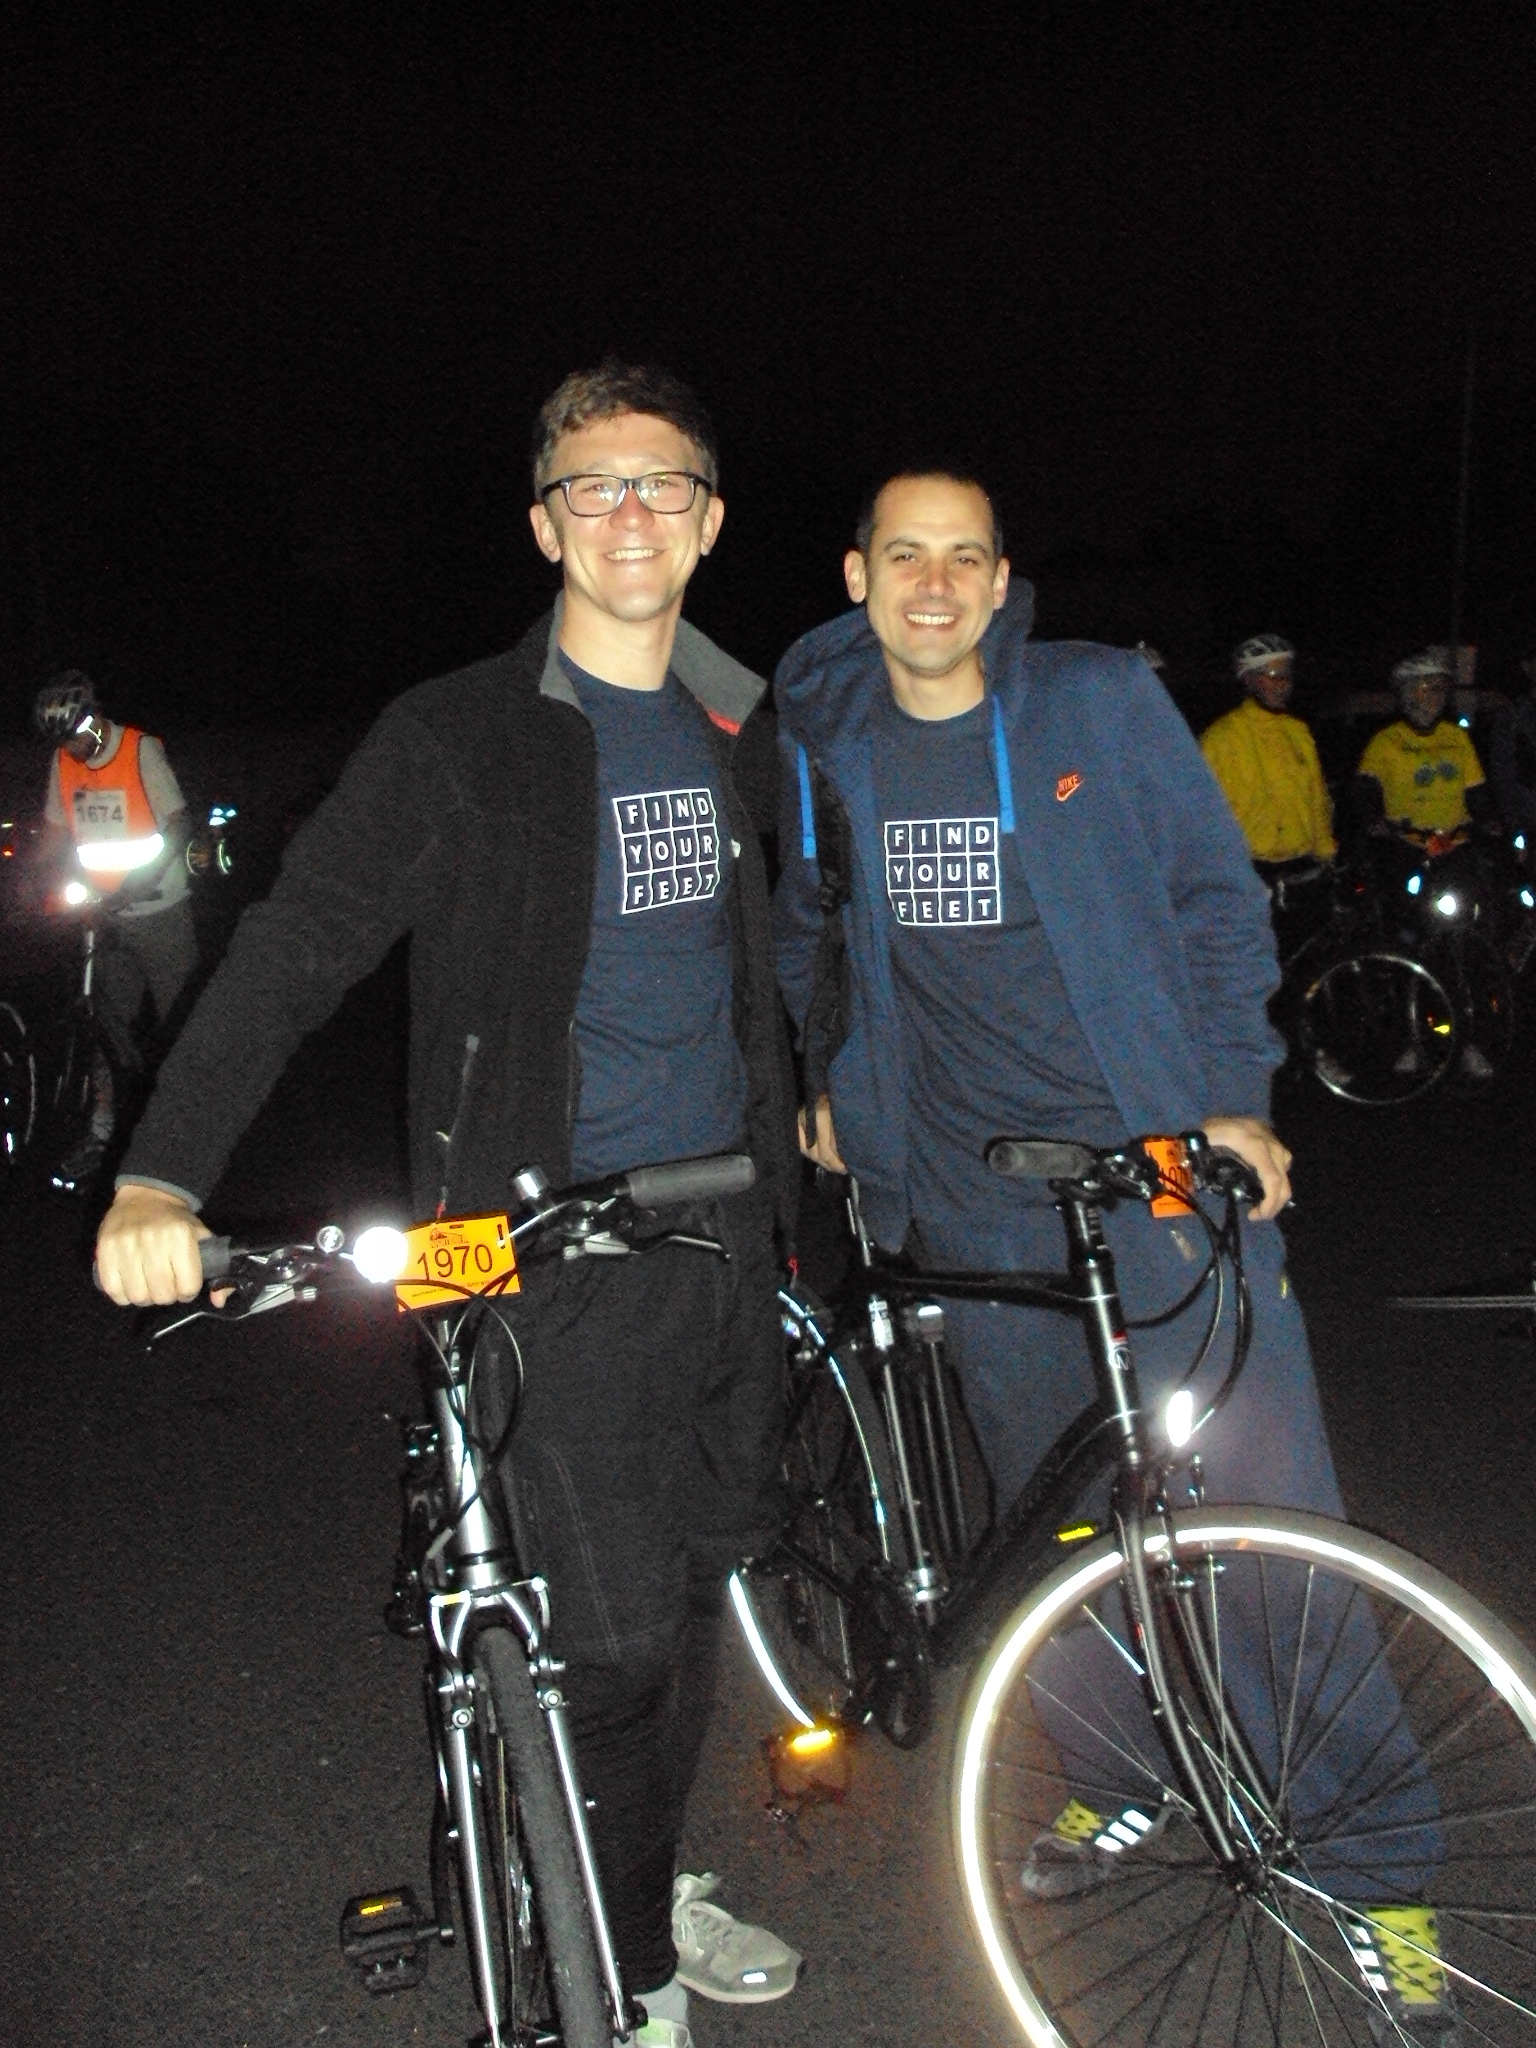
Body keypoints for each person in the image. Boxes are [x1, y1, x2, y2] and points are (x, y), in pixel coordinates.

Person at [92, 363, 801, 2048]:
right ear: (544, 520)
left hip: (731, 1235)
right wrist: (161, 1169)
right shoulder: (459, 732)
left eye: (663, 486)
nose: (630, 516)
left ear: (709, 518)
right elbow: (291, 948)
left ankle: (638, 1872)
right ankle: (623, 1972)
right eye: (593, 489)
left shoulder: (749, 722)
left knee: (694, 1590)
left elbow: (785, 962)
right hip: (536, 1251)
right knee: (613, 1638)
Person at [772, 474, 1445, 2022]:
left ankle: (1377, 1865)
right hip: (963, 1200)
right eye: (905, 557)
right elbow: (811, 924)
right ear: (859, 574)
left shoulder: (1098, 704)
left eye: (965, 558)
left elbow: (1218, 903)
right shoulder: (830, 745)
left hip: (1151, 1178)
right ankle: (1124, 1775)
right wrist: (829, 1080)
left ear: (1004, 579)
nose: (934, 585)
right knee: (1052, 1536)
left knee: (1274, 1531)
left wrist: (1232, 1101)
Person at [33, 669, 199, 1190]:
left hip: (160, 909)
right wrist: (36, 880)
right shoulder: (63, 759)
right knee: (104, 1028)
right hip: (104, 917)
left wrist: (141, 879)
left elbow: (178, 824)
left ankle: (195, 1127)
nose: (75, 750)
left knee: (184, 1022)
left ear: (95, 719)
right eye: (65, 743)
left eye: (79, 737)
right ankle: (104, 1130)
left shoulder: (139, 748)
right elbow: (56, 834)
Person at [1200, 633, 1337, 883]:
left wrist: (1326, 852)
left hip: (1301, 867)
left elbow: (1316, 796)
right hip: (1248, 870)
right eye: (1274, 676)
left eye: (1287, 676)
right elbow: (1202, 811)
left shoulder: (1299, 731)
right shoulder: (1220, 737)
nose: (1283, 684)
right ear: (1249, 679)